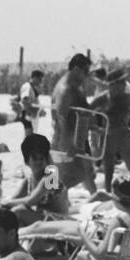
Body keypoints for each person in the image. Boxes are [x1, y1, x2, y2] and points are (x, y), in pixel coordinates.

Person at [50, 53, 96, 195]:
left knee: (86, 171)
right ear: (76, 69)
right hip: (67, 139)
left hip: (76, 136)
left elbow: (81, 109)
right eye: (86, 71)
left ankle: (95, 196)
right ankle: (49, 198)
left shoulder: (75, 86)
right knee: (75, 174)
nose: (87, 75)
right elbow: (61, 116)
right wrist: (71, 144)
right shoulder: (66, 89)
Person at [91, 66, 130, 193]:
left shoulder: (126, 97)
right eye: (122, 82)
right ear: (113, 84)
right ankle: (108, 192)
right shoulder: (103, 98)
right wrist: (95, 128)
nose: (125, 85)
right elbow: (87, 112)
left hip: (124, 135)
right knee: (108, 169)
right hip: (108, 136)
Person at [1, 133, 68, 225]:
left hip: (60, 221)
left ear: (47, 159)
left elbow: (31, 201)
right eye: (35, 159)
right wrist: (1, 206)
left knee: (19, 211)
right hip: (45, 219)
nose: (38, 162)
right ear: (27, 161)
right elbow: (15, 199)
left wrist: (4, 203)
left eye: (41, 158)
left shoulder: (50, 178)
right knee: (12, 213)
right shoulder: (29, 180)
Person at [18, 70, 44, 134]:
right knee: (29, 137)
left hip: (32, 115)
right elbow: (25, 100)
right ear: (34, 78)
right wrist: (30, 113)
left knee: (31, 136)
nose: (41, 81)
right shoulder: (27, 86)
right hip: (27, 115)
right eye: (39, 79)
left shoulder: (33, 87)